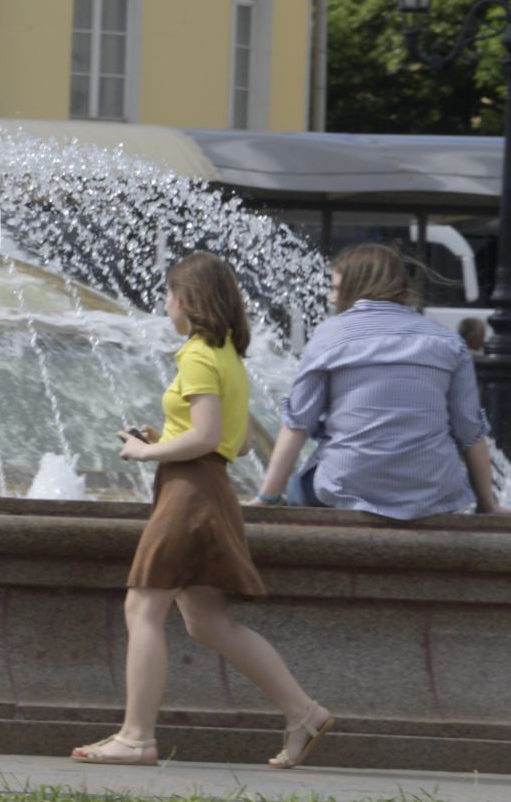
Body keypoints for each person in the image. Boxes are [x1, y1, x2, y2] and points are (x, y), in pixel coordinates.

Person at [76, 251, 331, 769]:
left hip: (189, 495)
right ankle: (302, 711)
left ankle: (136, 736)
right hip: (208, 490)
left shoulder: (197, 354)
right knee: (207, 620)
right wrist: (165, 437)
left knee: (143, 607)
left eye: (170, 294)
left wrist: (146, 450)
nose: (166, 303)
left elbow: (210, 437)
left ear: (188, 300)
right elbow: (233, 446)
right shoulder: (229, 358)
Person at [252, 244, 498, 518]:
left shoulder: (330, 336)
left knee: (297, 487)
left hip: (347, 486)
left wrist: (267, 497)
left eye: (335, 288)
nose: (331, 299)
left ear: (357, 287)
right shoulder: (449, 342)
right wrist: (489, 507)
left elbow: (298, 423)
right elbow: (471, 433)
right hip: (434, 491)